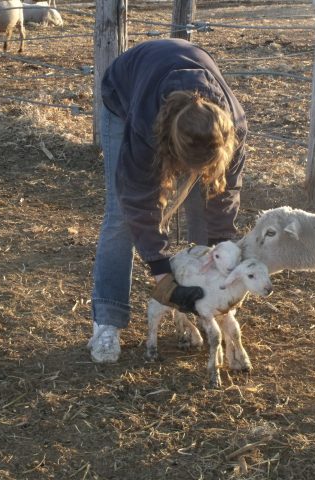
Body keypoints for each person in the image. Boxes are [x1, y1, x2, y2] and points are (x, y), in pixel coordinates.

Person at [88, 38, 248, 363]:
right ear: (172, 152)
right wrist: (162, 274)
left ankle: (206, 309)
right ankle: (106, 322)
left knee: (207, 200)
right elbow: (139, 200)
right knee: (120, 216)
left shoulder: (232, 127)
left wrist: (222, 257)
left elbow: (224, 194)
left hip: (181, 103)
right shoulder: (146, 129)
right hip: (125, 94)